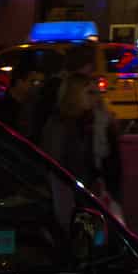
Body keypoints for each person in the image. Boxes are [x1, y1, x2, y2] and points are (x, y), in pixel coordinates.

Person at [42, 73, 124, 216]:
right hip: (70, 193)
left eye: (97, 92)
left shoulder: (99, 121)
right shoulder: (60, 124)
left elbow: (111, 163)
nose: (96, 97)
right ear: (74, 94)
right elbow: (54, 162)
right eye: (90, 92)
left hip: (95, 193)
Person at [0, 57, 41, 135]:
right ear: (19, 82)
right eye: (32, 82)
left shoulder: (26, 106)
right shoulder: (4, 106)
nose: (35, 86)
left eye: (38, 83)